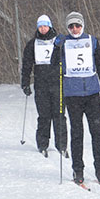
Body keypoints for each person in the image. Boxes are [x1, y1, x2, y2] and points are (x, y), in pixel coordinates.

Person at [51, 11, 100, 185]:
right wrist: (56, 47)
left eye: (77, 25)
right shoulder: (63, 43)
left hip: (92, 93)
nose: (75, 29)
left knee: (97, 133)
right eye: (71, 26)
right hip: (73, 94)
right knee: (77, 133)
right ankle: (78, 169)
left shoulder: (92, 41)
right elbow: (53, 65)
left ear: (82, 25)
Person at [21, 14, 68, 158]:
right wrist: (25, 82)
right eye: (40, 26)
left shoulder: (58, 41)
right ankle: (42, 144)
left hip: (58, 83)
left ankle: (62, 145)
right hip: (41, 84)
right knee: (44, 115)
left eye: (45, 26)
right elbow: (27, 64)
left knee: (59, 115)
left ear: (50, 26)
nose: (43, 29)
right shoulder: (32, 44)